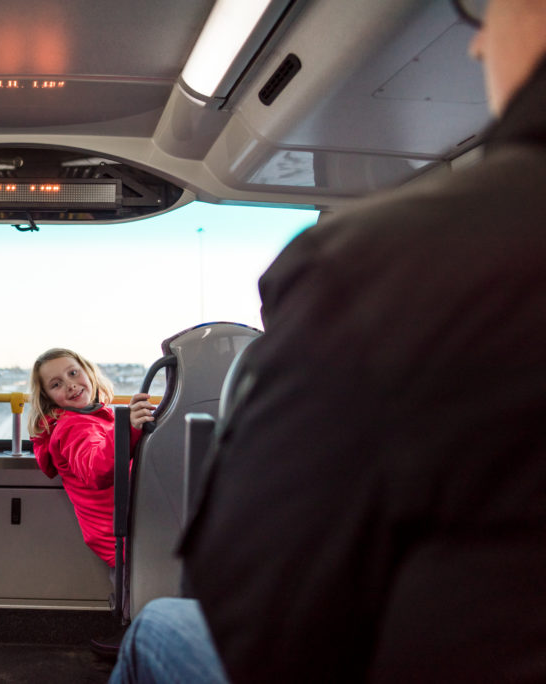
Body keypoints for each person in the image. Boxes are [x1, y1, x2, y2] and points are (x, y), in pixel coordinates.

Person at [113, 1, 546, 681]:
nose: (477, 45)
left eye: (482, 10)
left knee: (159, 624)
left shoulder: (372, 271)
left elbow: (264, 612)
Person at [28, 348, 155, 655]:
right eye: (56, 384)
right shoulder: (72, 427)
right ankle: (140, 646)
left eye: (73, 373)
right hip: (121, 533)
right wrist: (130, 429)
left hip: (129, 524)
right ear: (48, 398)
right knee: (139, 594)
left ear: (89, 373)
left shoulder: (102, 416)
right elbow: (97, 468)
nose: (70, 385)